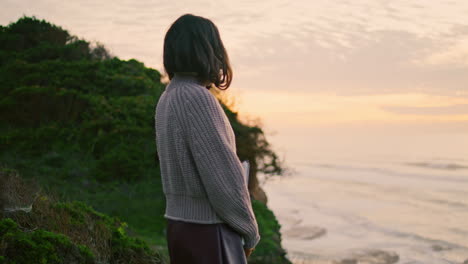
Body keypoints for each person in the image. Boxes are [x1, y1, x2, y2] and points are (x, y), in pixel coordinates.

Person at [155, 13, 261, 263]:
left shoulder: (167, 98)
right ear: (210, 51)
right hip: (209, 231)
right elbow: (223, 178)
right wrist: (250, 231)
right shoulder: (198, 99)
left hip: (179, 227)